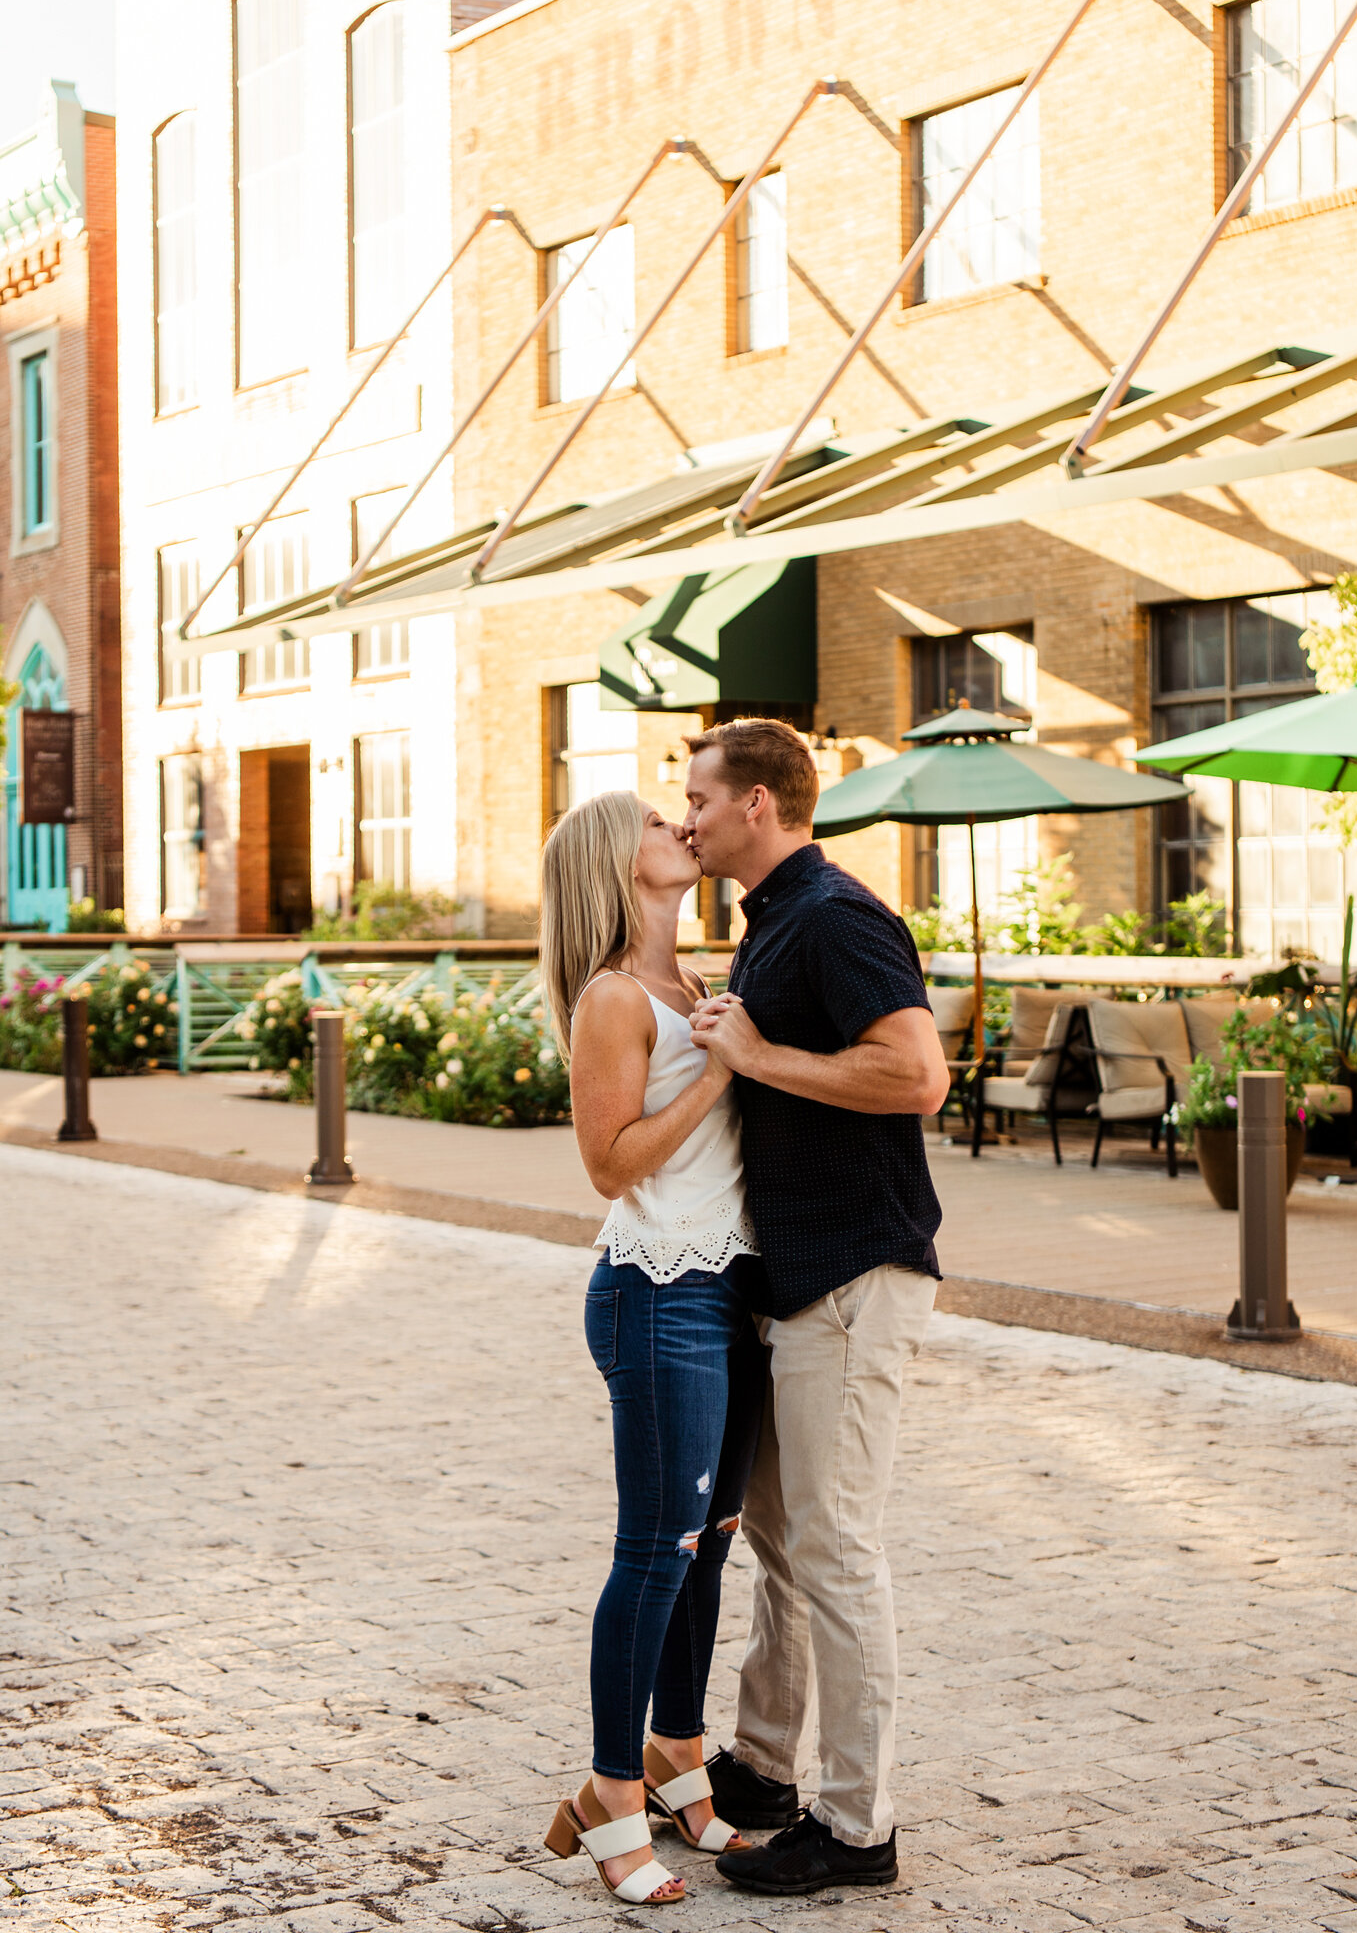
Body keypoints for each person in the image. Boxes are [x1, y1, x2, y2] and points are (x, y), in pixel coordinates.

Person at [683, 718, 950, 1898]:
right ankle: (760, 1769)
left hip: (853, 1275)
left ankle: (857, 1826)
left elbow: (916, 1072)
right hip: (794, 1284)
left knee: (836, 1550)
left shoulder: (836, 914)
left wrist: (756, 1054)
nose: (684, 817)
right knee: (784, 1546)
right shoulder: (772, 923)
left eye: (696, 796)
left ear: (757, 804)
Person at [538, 788, 764, 1907]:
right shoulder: (614, 997)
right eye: (652, 819)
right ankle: (611, 1793)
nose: (680, 822)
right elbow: (610, 1162)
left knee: (709, 1541)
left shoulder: (694, 982)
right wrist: (723, 1069)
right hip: (654, 1294)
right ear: (612, 863)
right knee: (652, 1551)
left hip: (728, 1289)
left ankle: (679, 1753)